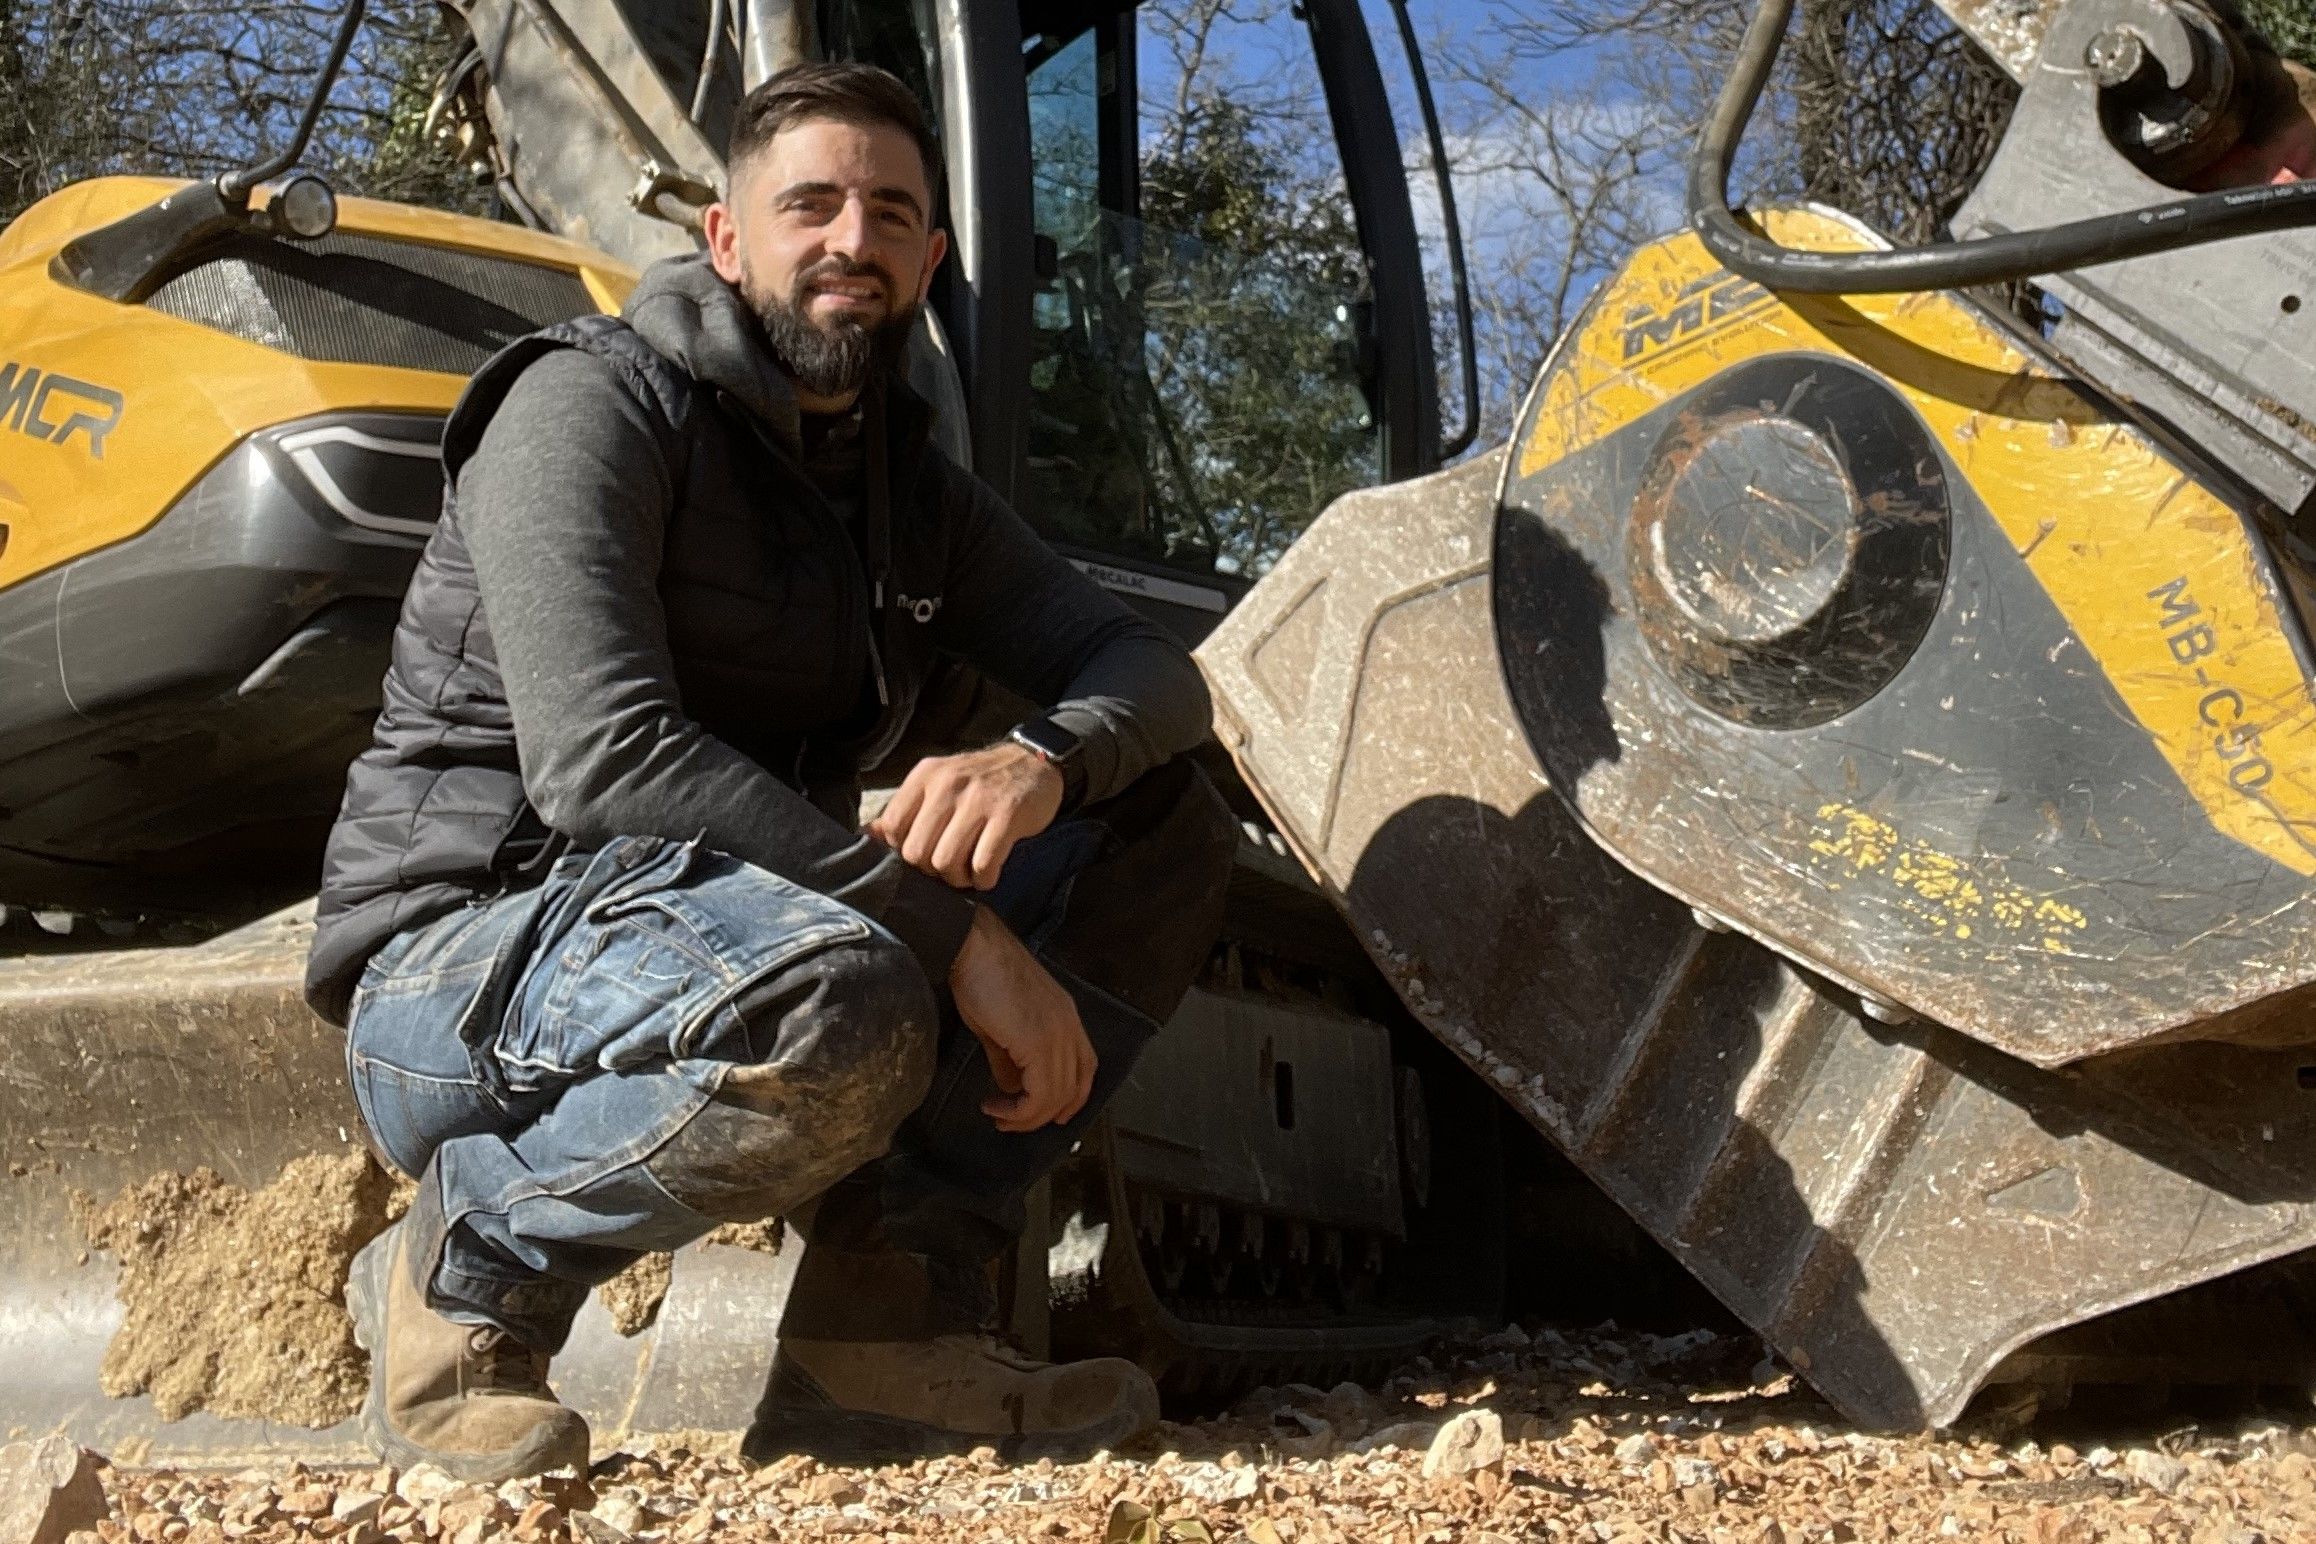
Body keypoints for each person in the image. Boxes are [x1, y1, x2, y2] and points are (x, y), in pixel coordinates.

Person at [303, 60, 1237, 1482]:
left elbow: (1156, 673)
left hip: (718, 930)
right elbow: (603, 756)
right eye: (810, 205)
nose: (849, 241)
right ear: (727, 240)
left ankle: (882, 1321)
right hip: (466, 965)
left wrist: (1043, 762)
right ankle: (475, 1258)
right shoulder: (586, 403)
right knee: (844, 997)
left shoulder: (904, 491)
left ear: (929, 260)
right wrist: (962, 933)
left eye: (888, 213)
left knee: (1158, 816)